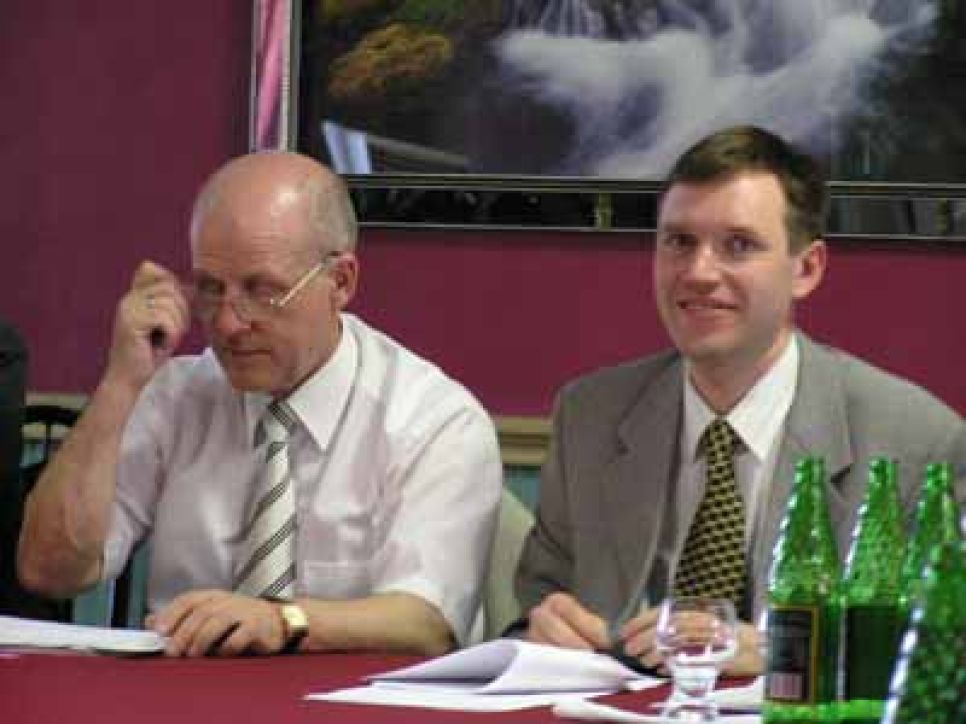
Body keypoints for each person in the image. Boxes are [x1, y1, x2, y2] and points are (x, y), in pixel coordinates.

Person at [514, 125, 966, 675]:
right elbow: (536, 603)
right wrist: (543, 626)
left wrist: (783, 653)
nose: (699, 273)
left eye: (738, 246)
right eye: (679, 242)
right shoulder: (591, 415)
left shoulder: (914, 440)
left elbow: (942, 654)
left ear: (806, 269)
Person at [17, 151, 502, 657]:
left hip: (352, 696)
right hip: (183, 690)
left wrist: (283, 621)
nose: (229, 323)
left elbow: (426, 622)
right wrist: (120, 383)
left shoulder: (432, 420)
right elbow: (49, 571)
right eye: (211, 289)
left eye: (263, 291)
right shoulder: (176, 396)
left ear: (341, 282)